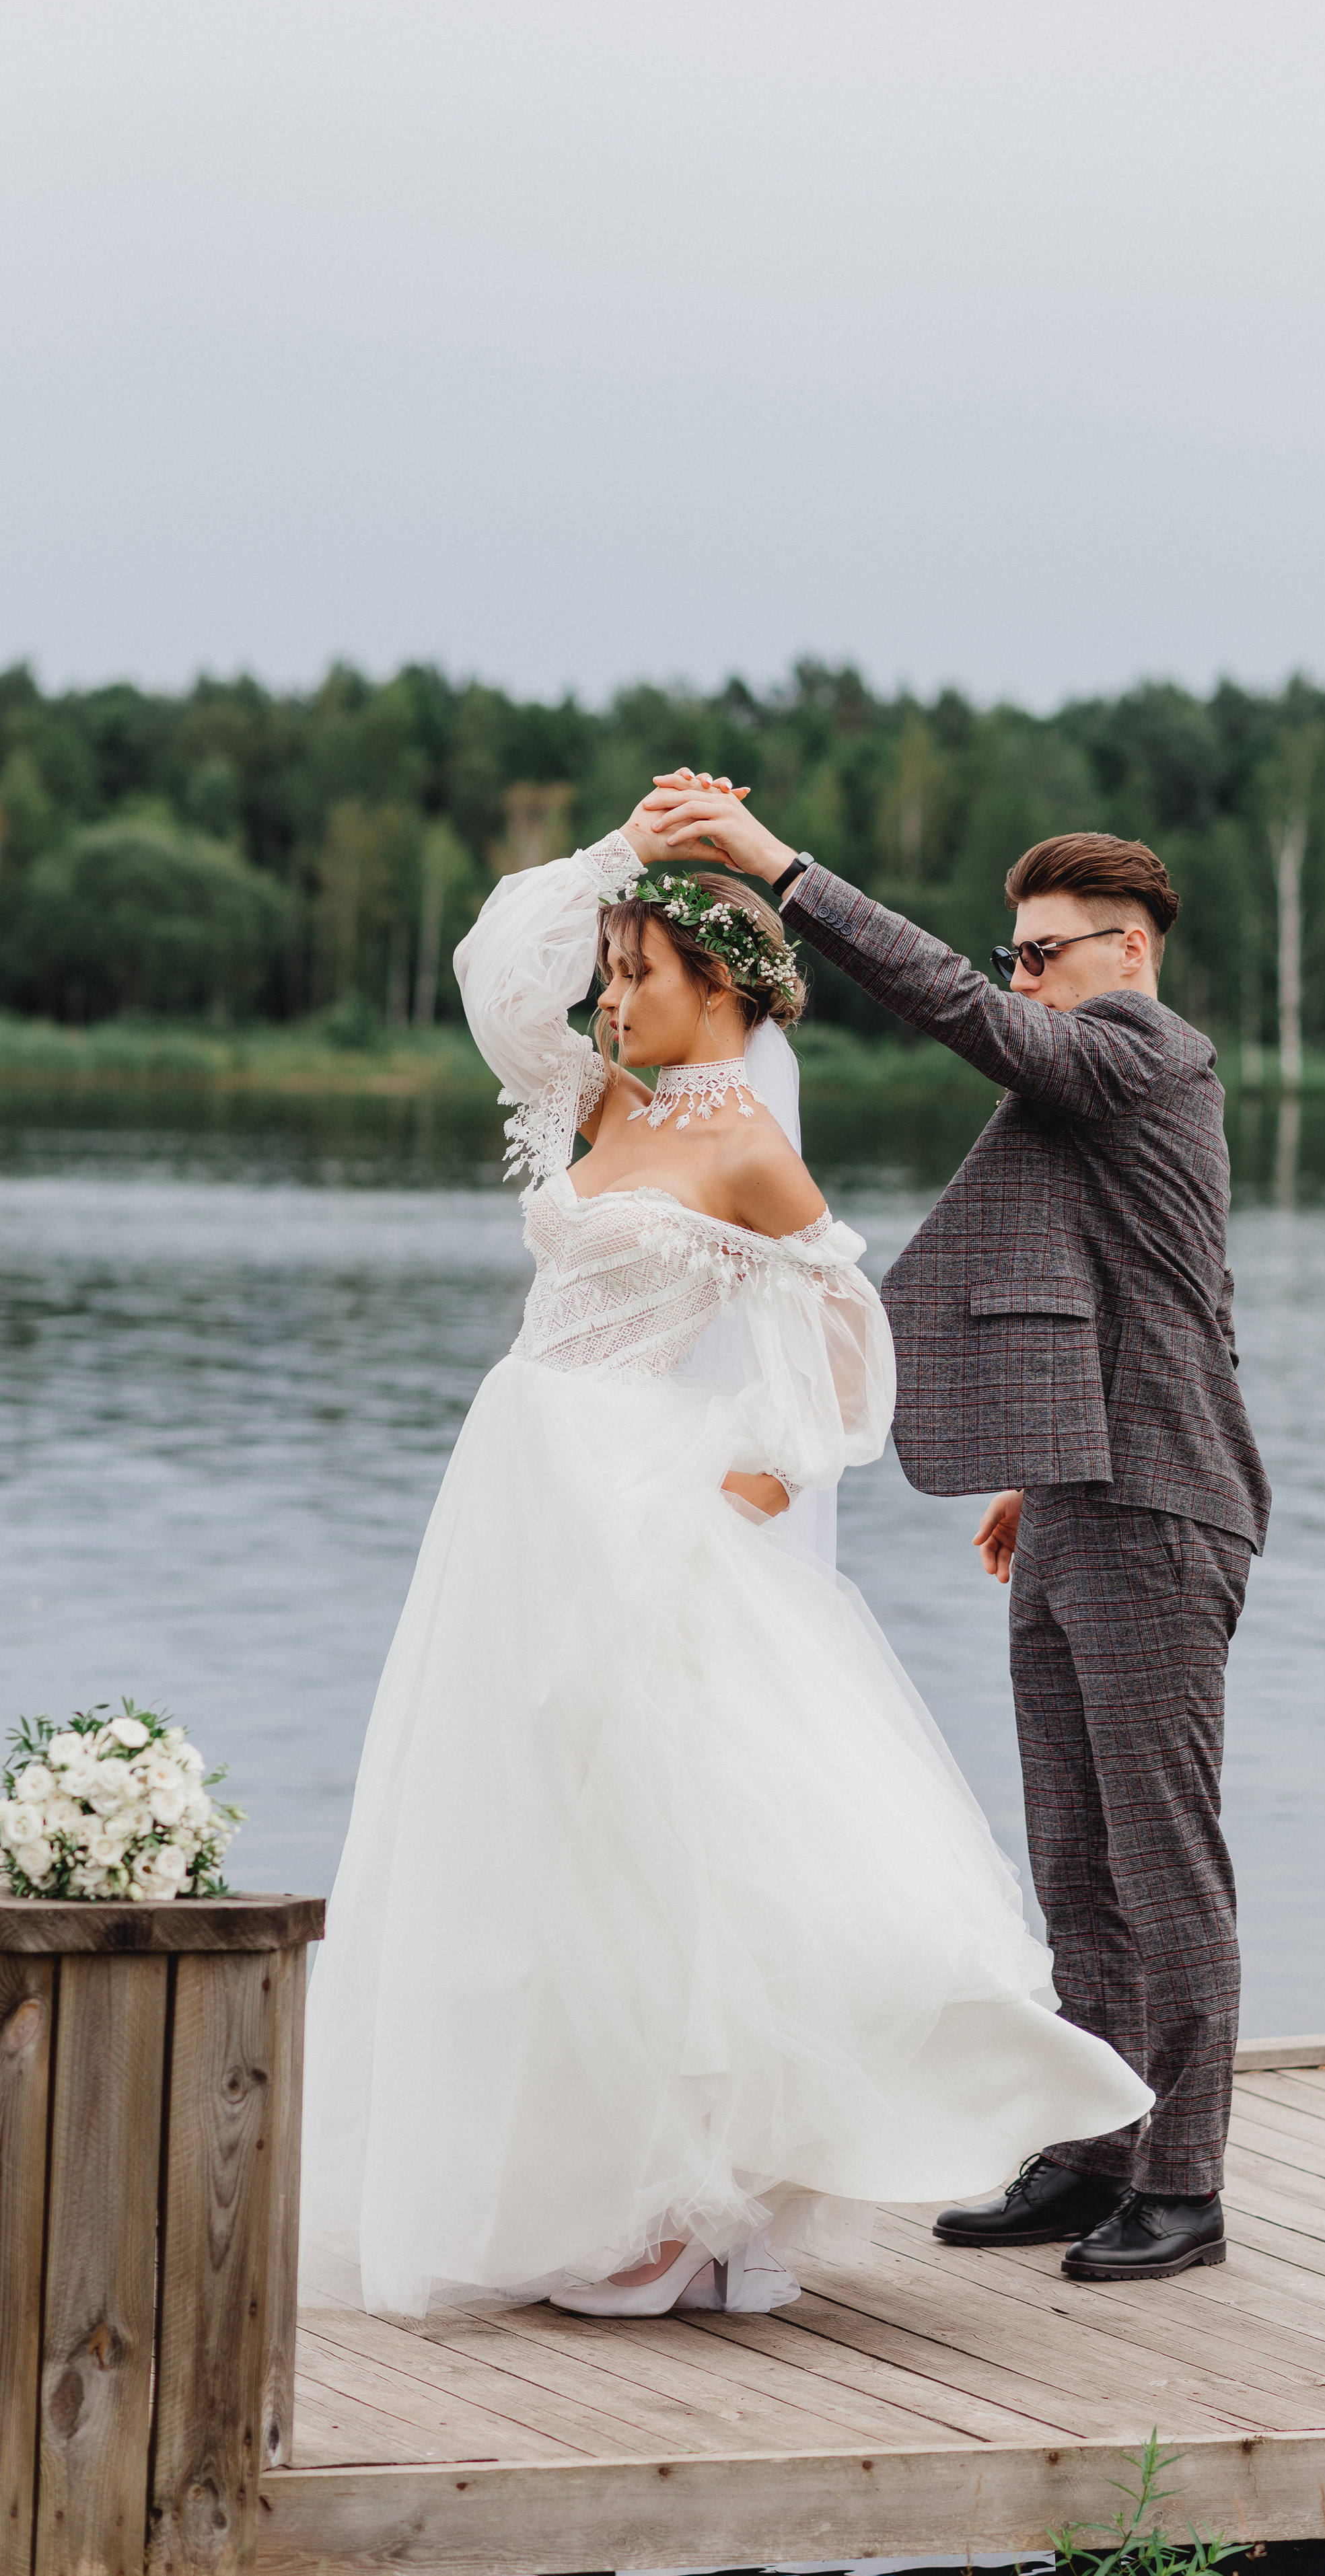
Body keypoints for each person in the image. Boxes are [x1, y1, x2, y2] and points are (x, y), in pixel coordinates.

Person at [297, 797, 1151, 2322]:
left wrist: (758, 1470)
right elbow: (499, 976)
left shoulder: (748, 1145)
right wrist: (619, 860)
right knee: (541, 1825)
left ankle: (701, 2204)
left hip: (637, 1500)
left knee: (669, 1840)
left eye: (636, 971)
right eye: (611, 972)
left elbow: (842, 1327)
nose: (610, 996)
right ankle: (605, 2176)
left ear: (724, 989)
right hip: (521, 1488)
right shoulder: (600, 1090)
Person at [639, 771, 1270, 2286]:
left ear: (1130, 952)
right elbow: (1156, 1295)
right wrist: (1025, 1459)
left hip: (1158, 1509)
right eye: (1017, 957)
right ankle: (1094, 2145)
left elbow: (952, 1012)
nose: (1022, 982)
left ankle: (1182, 2185)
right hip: (1076, 1490)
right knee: (1073, 1860)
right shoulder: (1095, 1085)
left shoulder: (1143, 1054)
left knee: (1160, 1862)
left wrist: (778, 868)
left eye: (1047, 953)